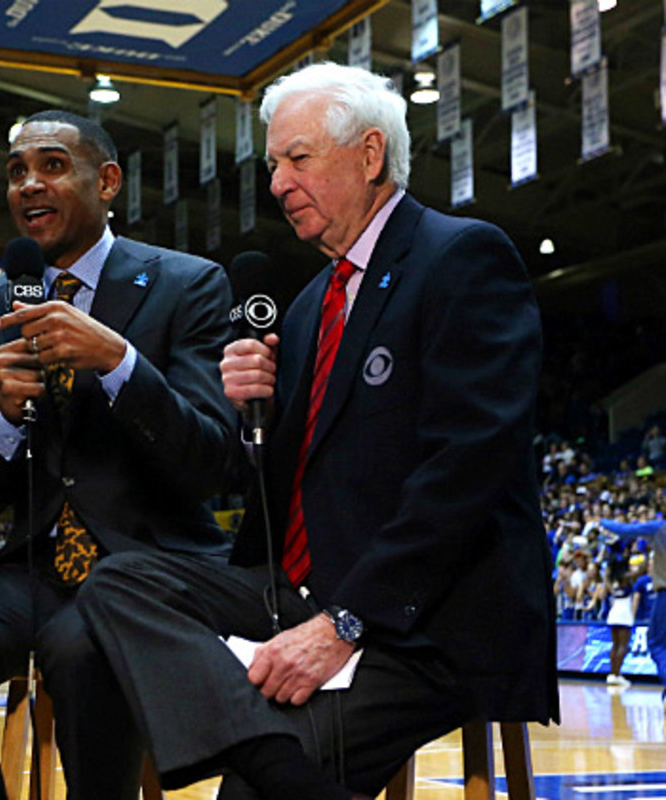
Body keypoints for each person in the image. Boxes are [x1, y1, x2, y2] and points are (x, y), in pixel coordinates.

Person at [77, 62, 558, 800]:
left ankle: (267, 766)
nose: (276, 183)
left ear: (369, 155)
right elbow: (262, 487)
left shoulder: (461, 257)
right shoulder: (308, 305)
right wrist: (252, 421)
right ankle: (273, 762)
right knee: (122, 581)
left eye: (297, 159)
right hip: (300, 593)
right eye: (274, 163)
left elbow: (471, 465)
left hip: (422, 621)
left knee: (252, 790)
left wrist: (345, 623)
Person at [0, 109, 238, 800]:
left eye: (51, 166)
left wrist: (119, 361)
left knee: (80, 649)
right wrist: (5, 415)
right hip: (33, 570)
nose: (29, 185)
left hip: (153, 563)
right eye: (16, 172)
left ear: (107, 183)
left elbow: (209, 464)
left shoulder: (188, 284)